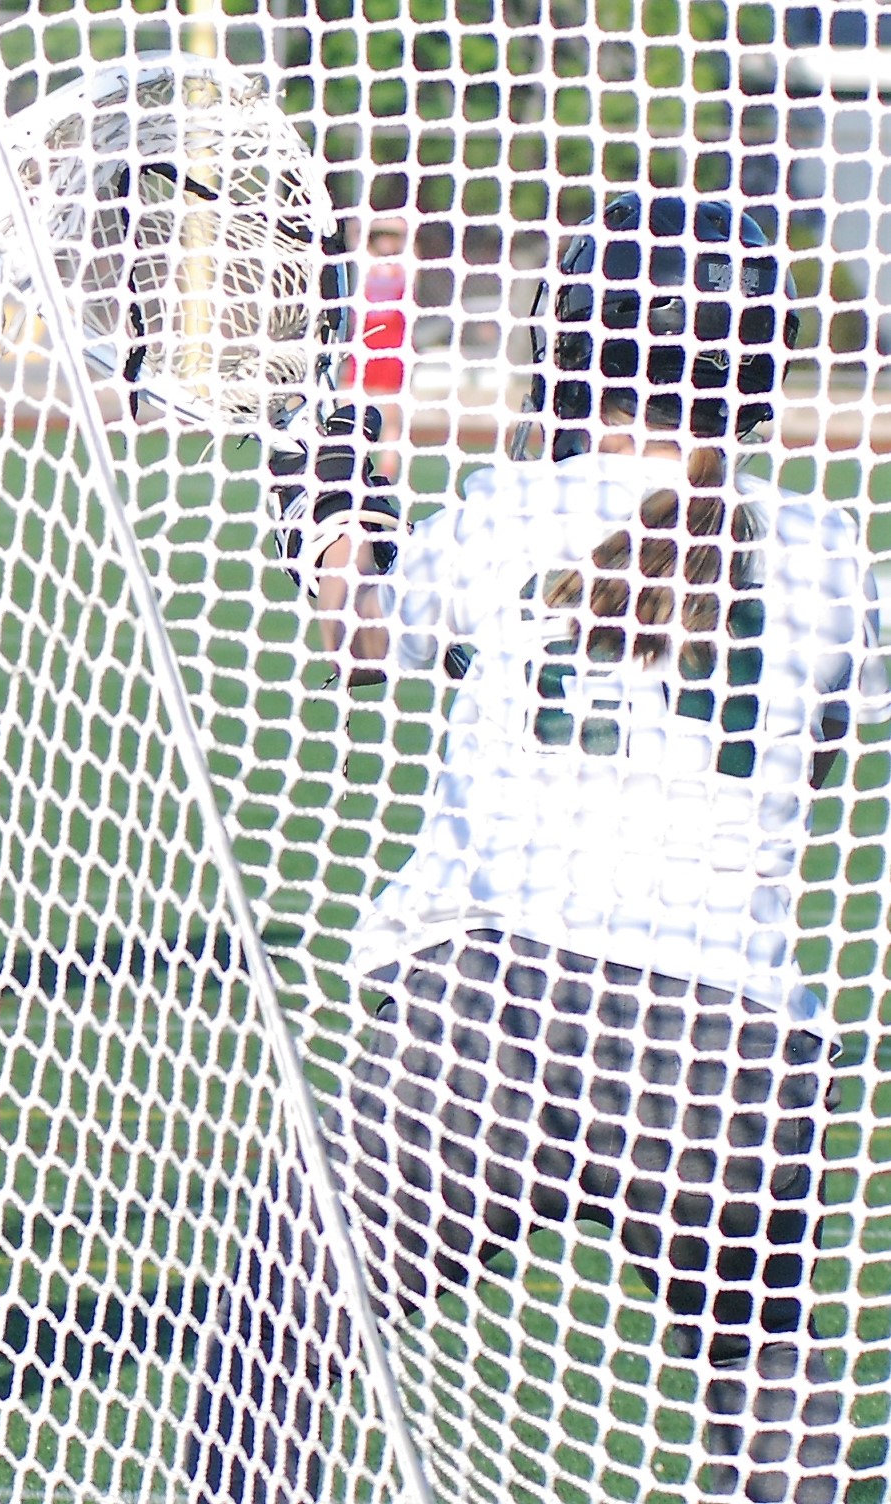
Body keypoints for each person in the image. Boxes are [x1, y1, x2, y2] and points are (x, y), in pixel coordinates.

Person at [201, 195, 887, 1504]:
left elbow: (362, 640)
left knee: (282, 1310)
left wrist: (328, 502)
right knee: (755, 1351)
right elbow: (823, 738)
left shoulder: (515, 508)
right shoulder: (824, 550)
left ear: (581, 337)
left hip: (500, 1015)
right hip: (734, 1052)